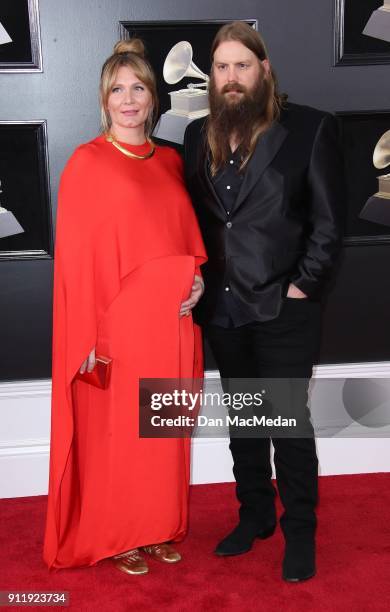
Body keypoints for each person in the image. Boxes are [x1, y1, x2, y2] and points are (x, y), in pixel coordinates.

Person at [184, 21, 344, 582]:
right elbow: (196, 225)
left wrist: (302, 288)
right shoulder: (196, 134)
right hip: (224, 313)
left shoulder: (309, 130)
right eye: (221, 67)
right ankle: (254, 515)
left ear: (264, 69)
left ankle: (300, 530)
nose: (231, 78)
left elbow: (328, 225)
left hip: (284, 310)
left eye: (242, 65)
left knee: (288, 425)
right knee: (245, 421)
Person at [43, 39, 207, 575]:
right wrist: (84, 337)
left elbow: (180, 236)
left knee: (162, 430)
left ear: (154, 98)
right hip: (118, 327)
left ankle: (158, 526)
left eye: (138, 88)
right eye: (118, 89)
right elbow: (75, 261)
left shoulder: (170, 161)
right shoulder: (86, 164)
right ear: (104, 99)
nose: (129, 99)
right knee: (118, 436)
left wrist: (198, 281)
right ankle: (120, 536)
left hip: (172, 324)